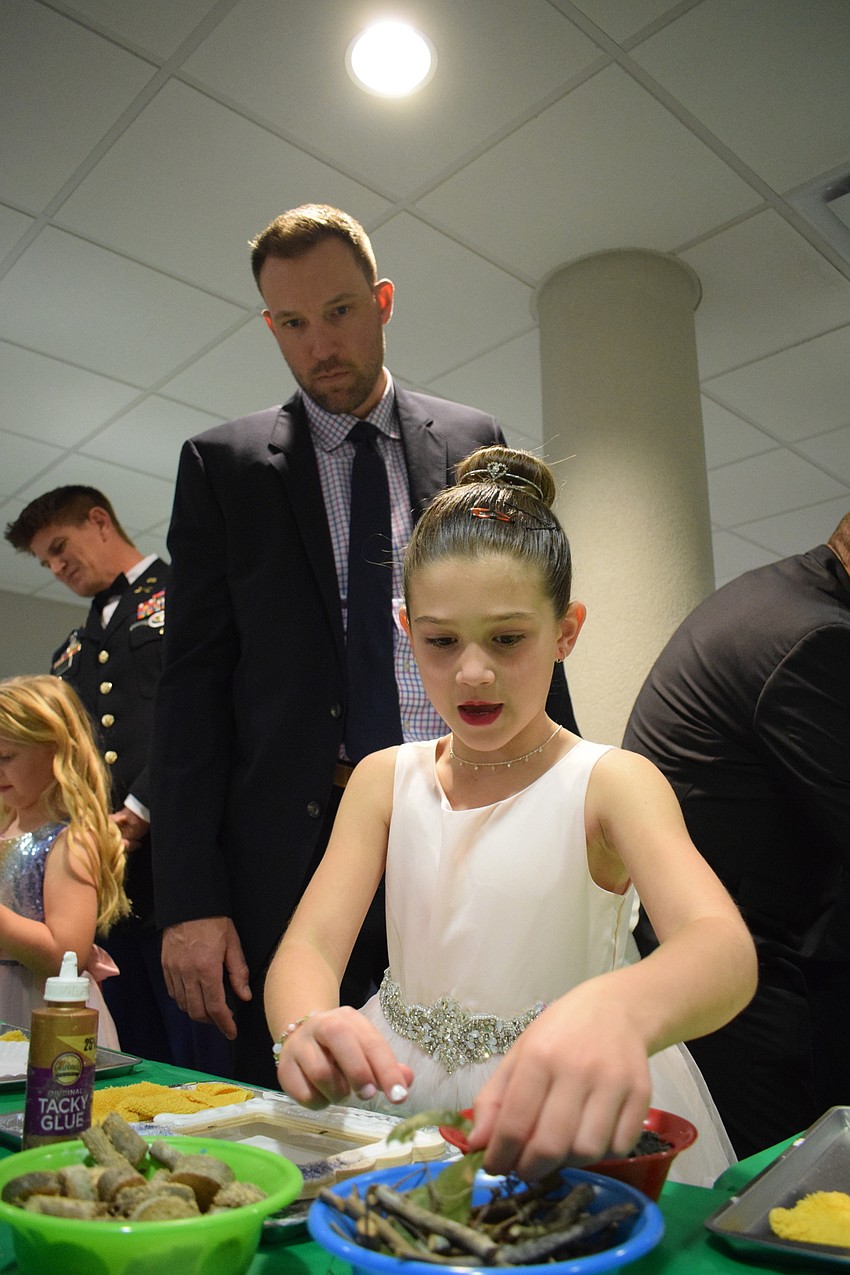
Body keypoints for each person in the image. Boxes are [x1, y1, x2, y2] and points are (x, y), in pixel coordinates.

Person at [150, 205, 579, 1090]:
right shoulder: (223, 467)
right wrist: (189, 897)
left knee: (485, 1078)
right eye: (293, 324)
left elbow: (525, 632)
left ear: (382, 302)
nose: (320, 345)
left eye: (340, 311)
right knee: (302, 1091)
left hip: (470, 814)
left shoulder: (469, 439)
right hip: (291, 848)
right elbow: (189, 693)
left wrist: (566, 803)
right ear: (271, 326)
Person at [264, 445, 757, 1187]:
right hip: (398, 1095)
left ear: (565, 630)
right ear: (407, 628)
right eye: (441, 640)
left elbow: (722, 950)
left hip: (562, 1106)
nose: (472, 672)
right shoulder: (380, 779)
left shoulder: (610, 783)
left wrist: (621, 1009)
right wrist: (305, 1024)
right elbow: (308, 947)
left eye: (507, 638)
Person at [623, 512, 850, 1160]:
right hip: (739, 956)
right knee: (785, 1182)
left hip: (735, 936)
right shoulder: (812, 636)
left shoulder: (779, 596)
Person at [4, 487, 229, 1073]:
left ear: (100, 520)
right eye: (45, 563)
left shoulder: (187, 594)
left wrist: (141, 804)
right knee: (122, 1053)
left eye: (60, 547)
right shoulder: (71, 648)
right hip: (103, 878)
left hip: (182, 862)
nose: (57, 568)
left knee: (199, 1050)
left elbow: (211, 709)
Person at [0, 675, 130, 1044]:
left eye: (7, 756)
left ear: (56, 750)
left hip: (46, 1013)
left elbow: (65, 953)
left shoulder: (69, 841)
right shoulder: (8, 829)